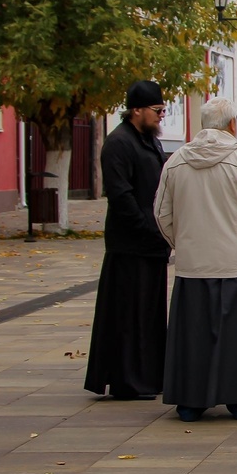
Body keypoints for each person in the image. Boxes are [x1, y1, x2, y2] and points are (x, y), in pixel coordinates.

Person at [155, 98, 237, 421]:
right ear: (232, 124)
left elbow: (162, 213)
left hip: (193, 266)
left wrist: (184, 243)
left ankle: (190, 401)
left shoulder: (176, 161)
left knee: (193, 335)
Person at [84, 80, 170, 400]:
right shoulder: (119, 143)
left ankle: (149, 376)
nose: (162, 115)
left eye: (163, 110)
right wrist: (149, 229)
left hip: (152, 244)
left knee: (149, 315)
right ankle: (127, 379)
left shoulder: (148, 141)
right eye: (157, 110)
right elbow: (122, 197)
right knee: (129, 316)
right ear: (137, 110)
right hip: (130, 245)